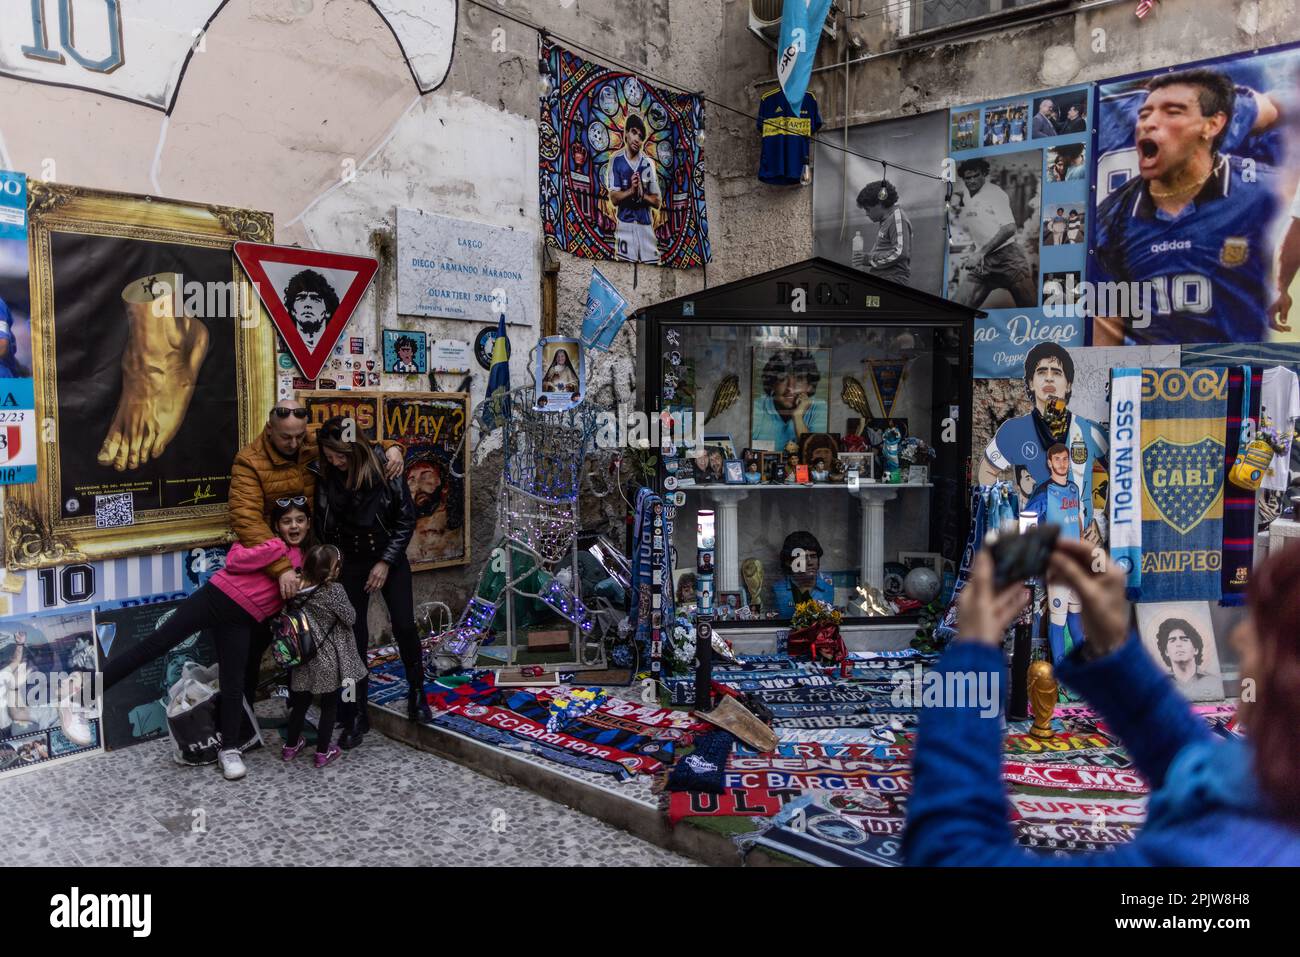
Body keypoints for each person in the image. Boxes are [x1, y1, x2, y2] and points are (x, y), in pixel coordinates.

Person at [904, 538, 1300, 865]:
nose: (1239, 638)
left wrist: (972, 651)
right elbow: (1199, 771)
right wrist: (1112, 646)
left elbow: (950, 853)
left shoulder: (1228, 856)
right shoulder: (1276, 787)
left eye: (1264, 627)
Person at [102, 498, 312, 780]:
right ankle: (87, 691)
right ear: (276, 524)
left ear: (308, 524)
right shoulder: (262, 538)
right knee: (153, 646)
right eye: (287, 521)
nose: (294, 526)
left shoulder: (305, 561)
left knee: (233, 680)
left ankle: (230, 750)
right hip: (214, 598)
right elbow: (235, 561)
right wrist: (277, 548)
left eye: (300, 520)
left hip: (242, 618)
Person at [228, 399, 402, 710]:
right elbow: (246, 520)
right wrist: (280, 567)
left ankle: (307, 708)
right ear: (270, 430)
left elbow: (360, 441)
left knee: (312, 634)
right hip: (272, 565)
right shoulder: (248, 461)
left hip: (310, 560)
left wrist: (392, 446)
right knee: (258, 640)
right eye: (286, 437)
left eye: (299, 436)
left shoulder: (311, 444)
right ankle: (241, 718)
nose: (295, 443)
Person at [1093, 68, 1281, 345]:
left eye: (1171, 112)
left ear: (1213, 125)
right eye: (1144, 115)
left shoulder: (1262, 190)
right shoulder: (1112, 215)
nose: (1148, 123)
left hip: (1240, 367)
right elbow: (1107, 316)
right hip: (1160, 373)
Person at [312, 416, 423, 745]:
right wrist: (334, 562)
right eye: (330, 456)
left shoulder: (385, 469)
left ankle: (417, 692)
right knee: (352, 636)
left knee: (403, 625)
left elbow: (406, 519)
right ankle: (356, 711)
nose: (335, 462)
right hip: (350, 562)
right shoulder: (326, 475)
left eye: (341, 456)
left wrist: (386, 562)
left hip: (388, 558)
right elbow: (323, 523)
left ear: (356, 449)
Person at [979, 342, 1108, 537]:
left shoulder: (1089, 430)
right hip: (1034, 543)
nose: (1048, 377)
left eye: (1056, 372)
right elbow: (987, 471)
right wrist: (1003, 517)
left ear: (1069, 384)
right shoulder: (1013, 430)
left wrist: (1102, 522)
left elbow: (1122, 471)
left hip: (1079, 541)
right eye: (1041, 371)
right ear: (1031, 382)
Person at [280, 545, 366, 768]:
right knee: (330, 706)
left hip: (303, 657)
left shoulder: (294, 589)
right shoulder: (334, 591)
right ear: (331, 571)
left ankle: (290, 747)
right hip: (329, 658)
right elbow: (351, 618)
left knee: (300, 703)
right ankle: (322, 752)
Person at [1022, 444, 1085, 664]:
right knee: (1058, 621)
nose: (1062, 463)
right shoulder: (1043, 492)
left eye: (1065, 459)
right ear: (1049, 463)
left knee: (1076, 618)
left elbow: (1077, 520)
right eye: (1057, 459)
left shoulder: (1074, 489)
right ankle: (1060, 674)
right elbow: (1026, 524)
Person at [950, 158, 1037, 308]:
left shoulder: (995, 194)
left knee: (1030, 308)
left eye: (976, 176)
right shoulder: (967, 191)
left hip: (1008, 259)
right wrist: (956, 197)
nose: (972, 181)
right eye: (968, 178)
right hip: (984, 265)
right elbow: (962, 192)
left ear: (984, 174)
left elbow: (1010, 228)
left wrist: (979, 253)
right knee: (957, 309)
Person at [605, 114, 662, 264]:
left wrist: (642, 196)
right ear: (626, 133)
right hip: (625, 224)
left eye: (641, 136)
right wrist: (631, 190)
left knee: (651, 265)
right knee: (624, 266)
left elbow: (657, 202)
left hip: (645, 225)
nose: (637, 139)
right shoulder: (616, 161)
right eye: (634, 132)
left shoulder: (647, 164)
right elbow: (614, 198)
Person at [751, 349, 825, 450]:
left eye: (799, 379)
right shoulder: (756, 408)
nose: (790, 387)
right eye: (782, 379)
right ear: (772, 384)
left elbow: (814, 454)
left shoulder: (819, 407)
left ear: (810, 386)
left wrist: (798, 417)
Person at [854, 180, 913, 285]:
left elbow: (900, 253)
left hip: (893, 279)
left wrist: (869, 259)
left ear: (880, 203)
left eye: (868, 209)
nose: (866, 214)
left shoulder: (897, 218)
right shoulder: (886, 220)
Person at [1155, 618, 1222, 699]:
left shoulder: (1214, 683)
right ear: (1166, 652)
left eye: (1184, 639)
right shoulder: (1159, 685)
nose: (1178, 644)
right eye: (1172, 640)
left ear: (1196, 649)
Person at [772, 531, 835, 618]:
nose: (810, 562)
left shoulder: (828, 584)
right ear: (789, 562)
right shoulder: (779, 588)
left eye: (813, 556)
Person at [283, 269, 339, 352]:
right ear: (292, 310)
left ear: (327, 311)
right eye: (301, 298)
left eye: (315, 298)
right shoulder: (283, 343)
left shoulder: (337, 343)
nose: (307, 304)